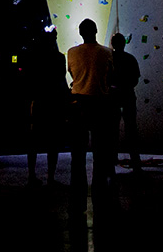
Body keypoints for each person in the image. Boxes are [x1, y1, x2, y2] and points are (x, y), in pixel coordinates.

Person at [66, 18, 113, 223]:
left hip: (78, 102)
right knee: (100, 152)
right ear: (96, 31)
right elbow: (109, 76)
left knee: (78, 153)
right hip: (100, 103)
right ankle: (100, 194)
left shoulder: (71, 52)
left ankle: (78, 195)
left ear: (80, 32)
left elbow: (71, 74)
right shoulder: (106, 52)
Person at [26, 28, 67, 186]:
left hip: (39, 101)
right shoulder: (59, 58)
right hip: (53, 101)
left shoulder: (35, 58)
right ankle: (50, 178)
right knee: (53, 142)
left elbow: (30, 79)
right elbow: (61, 79)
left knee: (34, 141)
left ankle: (31, 176)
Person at [109, 33, 142, 172]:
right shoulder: (130, 58)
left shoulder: (109, 59)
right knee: (131, 129)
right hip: (128, 95)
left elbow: (106, 78)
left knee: (112, 129)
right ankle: (135, 161)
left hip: (113, 97)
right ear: (124, 43)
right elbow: (135, 79)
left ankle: (112, 160)